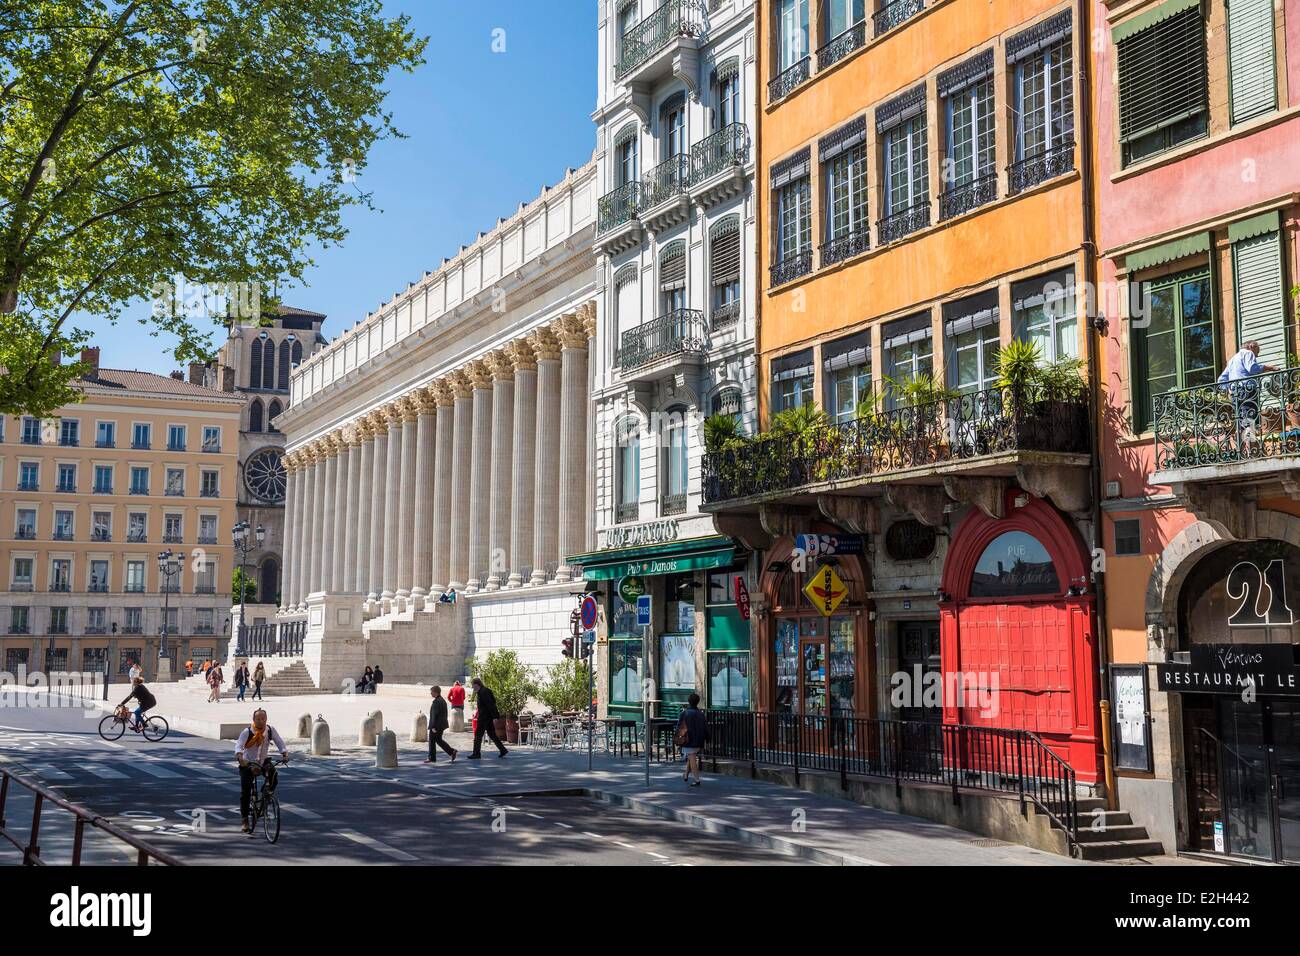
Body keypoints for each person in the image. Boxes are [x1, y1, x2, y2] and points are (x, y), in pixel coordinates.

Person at [235, 708, 289, 834]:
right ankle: (245, 820)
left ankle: (266, 793)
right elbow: (239, 745)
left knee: (274, 775)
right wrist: (240, 757)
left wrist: (284, 754)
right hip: (249, 763)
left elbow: (279, 742)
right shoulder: (247, 732)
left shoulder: (269, 730)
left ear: (266, 719)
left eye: (263, 719)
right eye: (258, 719)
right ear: (254, 720)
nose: (261, 721)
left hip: (263, 761)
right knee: (246, 792)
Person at [467, 677, 508, 759]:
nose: (472, 687)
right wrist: (494, 716)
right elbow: (493, 702)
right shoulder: (484, 691)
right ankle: (503, 750)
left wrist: (495, 716)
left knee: (478, 735)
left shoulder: (483, 692)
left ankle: (476, 753)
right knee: (492, 735)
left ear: (476, 684)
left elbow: (490, 704)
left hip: (484, 718)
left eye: (472, 685)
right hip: (487, 717)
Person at [675, 692, 709, 787]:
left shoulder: (684, 713)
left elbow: (679, 727)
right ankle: (686, 773)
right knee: (691, 755)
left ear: (689, 702)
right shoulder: (701, 714)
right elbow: (706, 727)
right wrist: (708, 739)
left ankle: (696, 779)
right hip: (699, 739)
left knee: (692, 757)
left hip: (688, 740)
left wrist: (678, 738)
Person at [425, 686, 458, 763]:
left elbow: (434, 715)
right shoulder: (442, 700)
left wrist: (432, 726)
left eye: (432, 691)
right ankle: (451, 751)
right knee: (439, 740)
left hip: (436, 726)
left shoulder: (436, 702)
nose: (431, 693)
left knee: (432, 741)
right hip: (441, 725)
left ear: (435, 692)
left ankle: (431, 758)